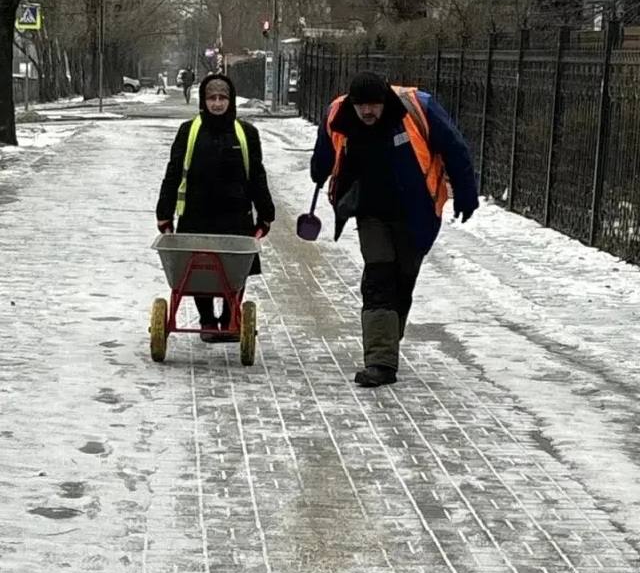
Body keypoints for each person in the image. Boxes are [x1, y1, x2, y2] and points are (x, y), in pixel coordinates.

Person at [310, 71, 479, 387]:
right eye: (361, 106)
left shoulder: (417, 108)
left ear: (385, 101)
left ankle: (387, 337)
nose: (368, 111)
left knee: (403, 280)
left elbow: (455, 148)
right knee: (379, 278)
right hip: (369, 212)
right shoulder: (338, 114)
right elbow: (326, 148)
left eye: (374, 105)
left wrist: (467, 194)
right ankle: (380, 362)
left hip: (416, 212)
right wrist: (319, 170)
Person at [156, 73, 275, 340]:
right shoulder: (189, 132)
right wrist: (164, 213)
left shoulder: (246, 134)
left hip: (236, 217)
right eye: (212, 98)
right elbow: (174, 173)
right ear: (203, 101)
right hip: (197, 215)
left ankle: (230, 318)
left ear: (231, 100)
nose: (218, 104)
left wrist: (266, 213)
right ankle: (208, 321)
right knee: (199, 272)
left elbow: (257, 175)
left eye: (223, 98)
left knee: (235, 271)